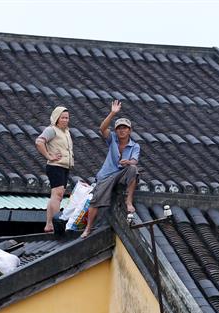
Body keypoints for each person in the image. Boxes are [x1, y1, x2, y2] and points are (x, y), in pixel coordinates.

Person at [83, 100, 140, 238]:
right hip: (107, 175)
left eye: (125, 128)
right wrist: (113, 113)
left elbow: (134, 160)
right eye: (119, 128)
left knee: (134, 169)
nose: (122, 130)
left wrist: (128, 162)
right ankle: (88, 228)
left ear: (130, 130)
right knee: (95, 200)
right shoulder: (112, 138)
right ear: (116, 130)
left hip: (122, 173)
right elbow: (102, 129)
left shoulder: (134, 145)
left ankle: (128, 201)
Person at [35, 106, 74, 233]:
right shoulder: (52, 130)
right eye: (62, 117)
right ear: (56, 118)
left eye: (67, 118)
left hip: (64, 166)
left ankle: (49, 224)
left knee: (56, 195)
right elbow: (39, 142)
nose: (65, 120)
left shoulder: (66, 132)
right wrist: (48, 156)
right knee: (57, 195)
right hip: (55, 166)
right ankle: (56, 224)